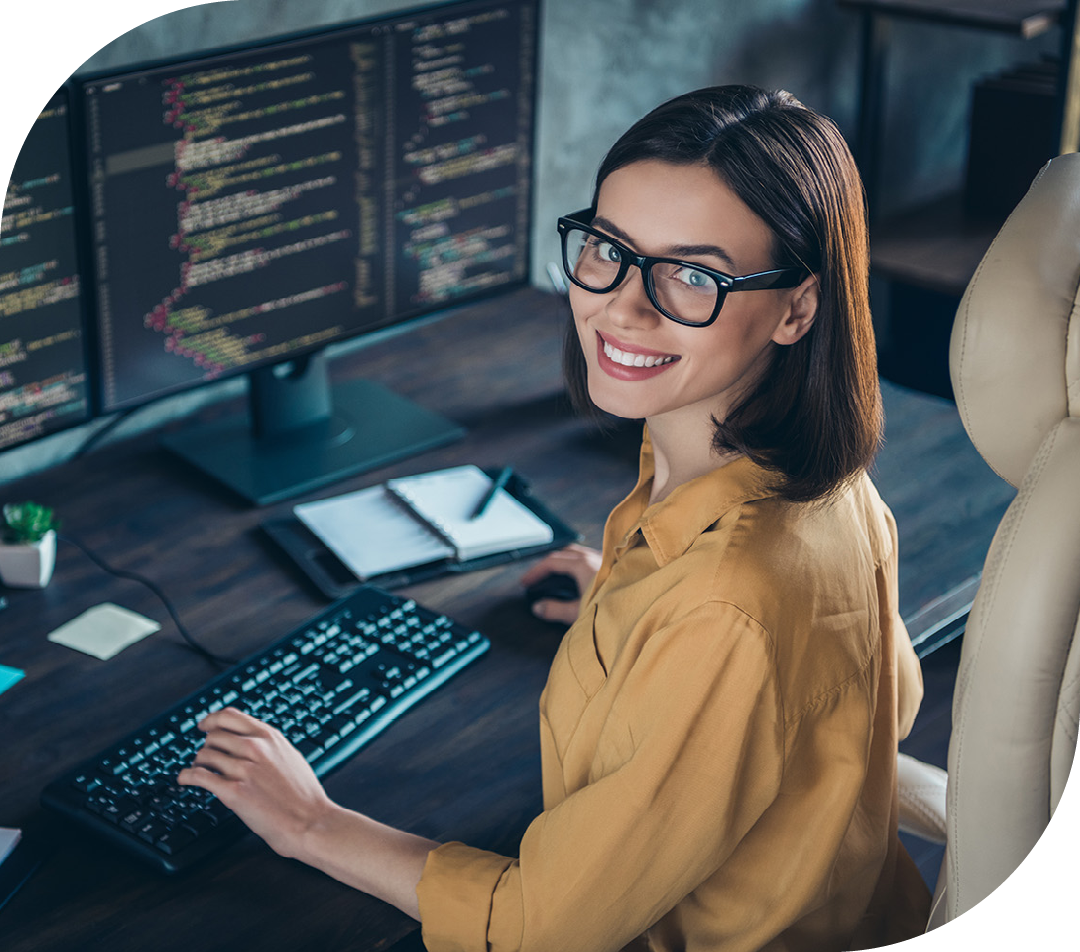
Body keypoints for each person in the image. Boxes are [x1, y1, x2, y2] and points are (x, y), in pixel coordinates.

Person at [179, 85, 931, 951]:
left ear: (798, 307)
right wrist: (631, 620)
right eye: (611, 248)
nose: (622, 306)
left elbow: (543, 927)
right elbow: (886, 700)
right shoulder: (832, 490)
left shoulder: (728, 606)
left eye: (694, 274)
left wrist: (312, 824)